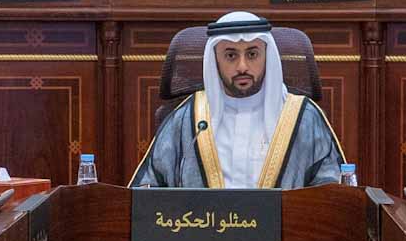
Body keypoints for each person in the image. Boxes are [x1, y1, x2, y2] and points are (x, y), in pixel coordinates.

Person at [131, 12, 343, 189]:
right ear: (215, 60)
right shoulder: (188, 120)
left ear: (266, 56)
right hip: (201, 236)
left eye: (252, 54)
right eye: (231, 56)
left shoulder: (303, 118)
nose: (242, 66)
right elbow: (146, 195)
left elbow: (332, 195)